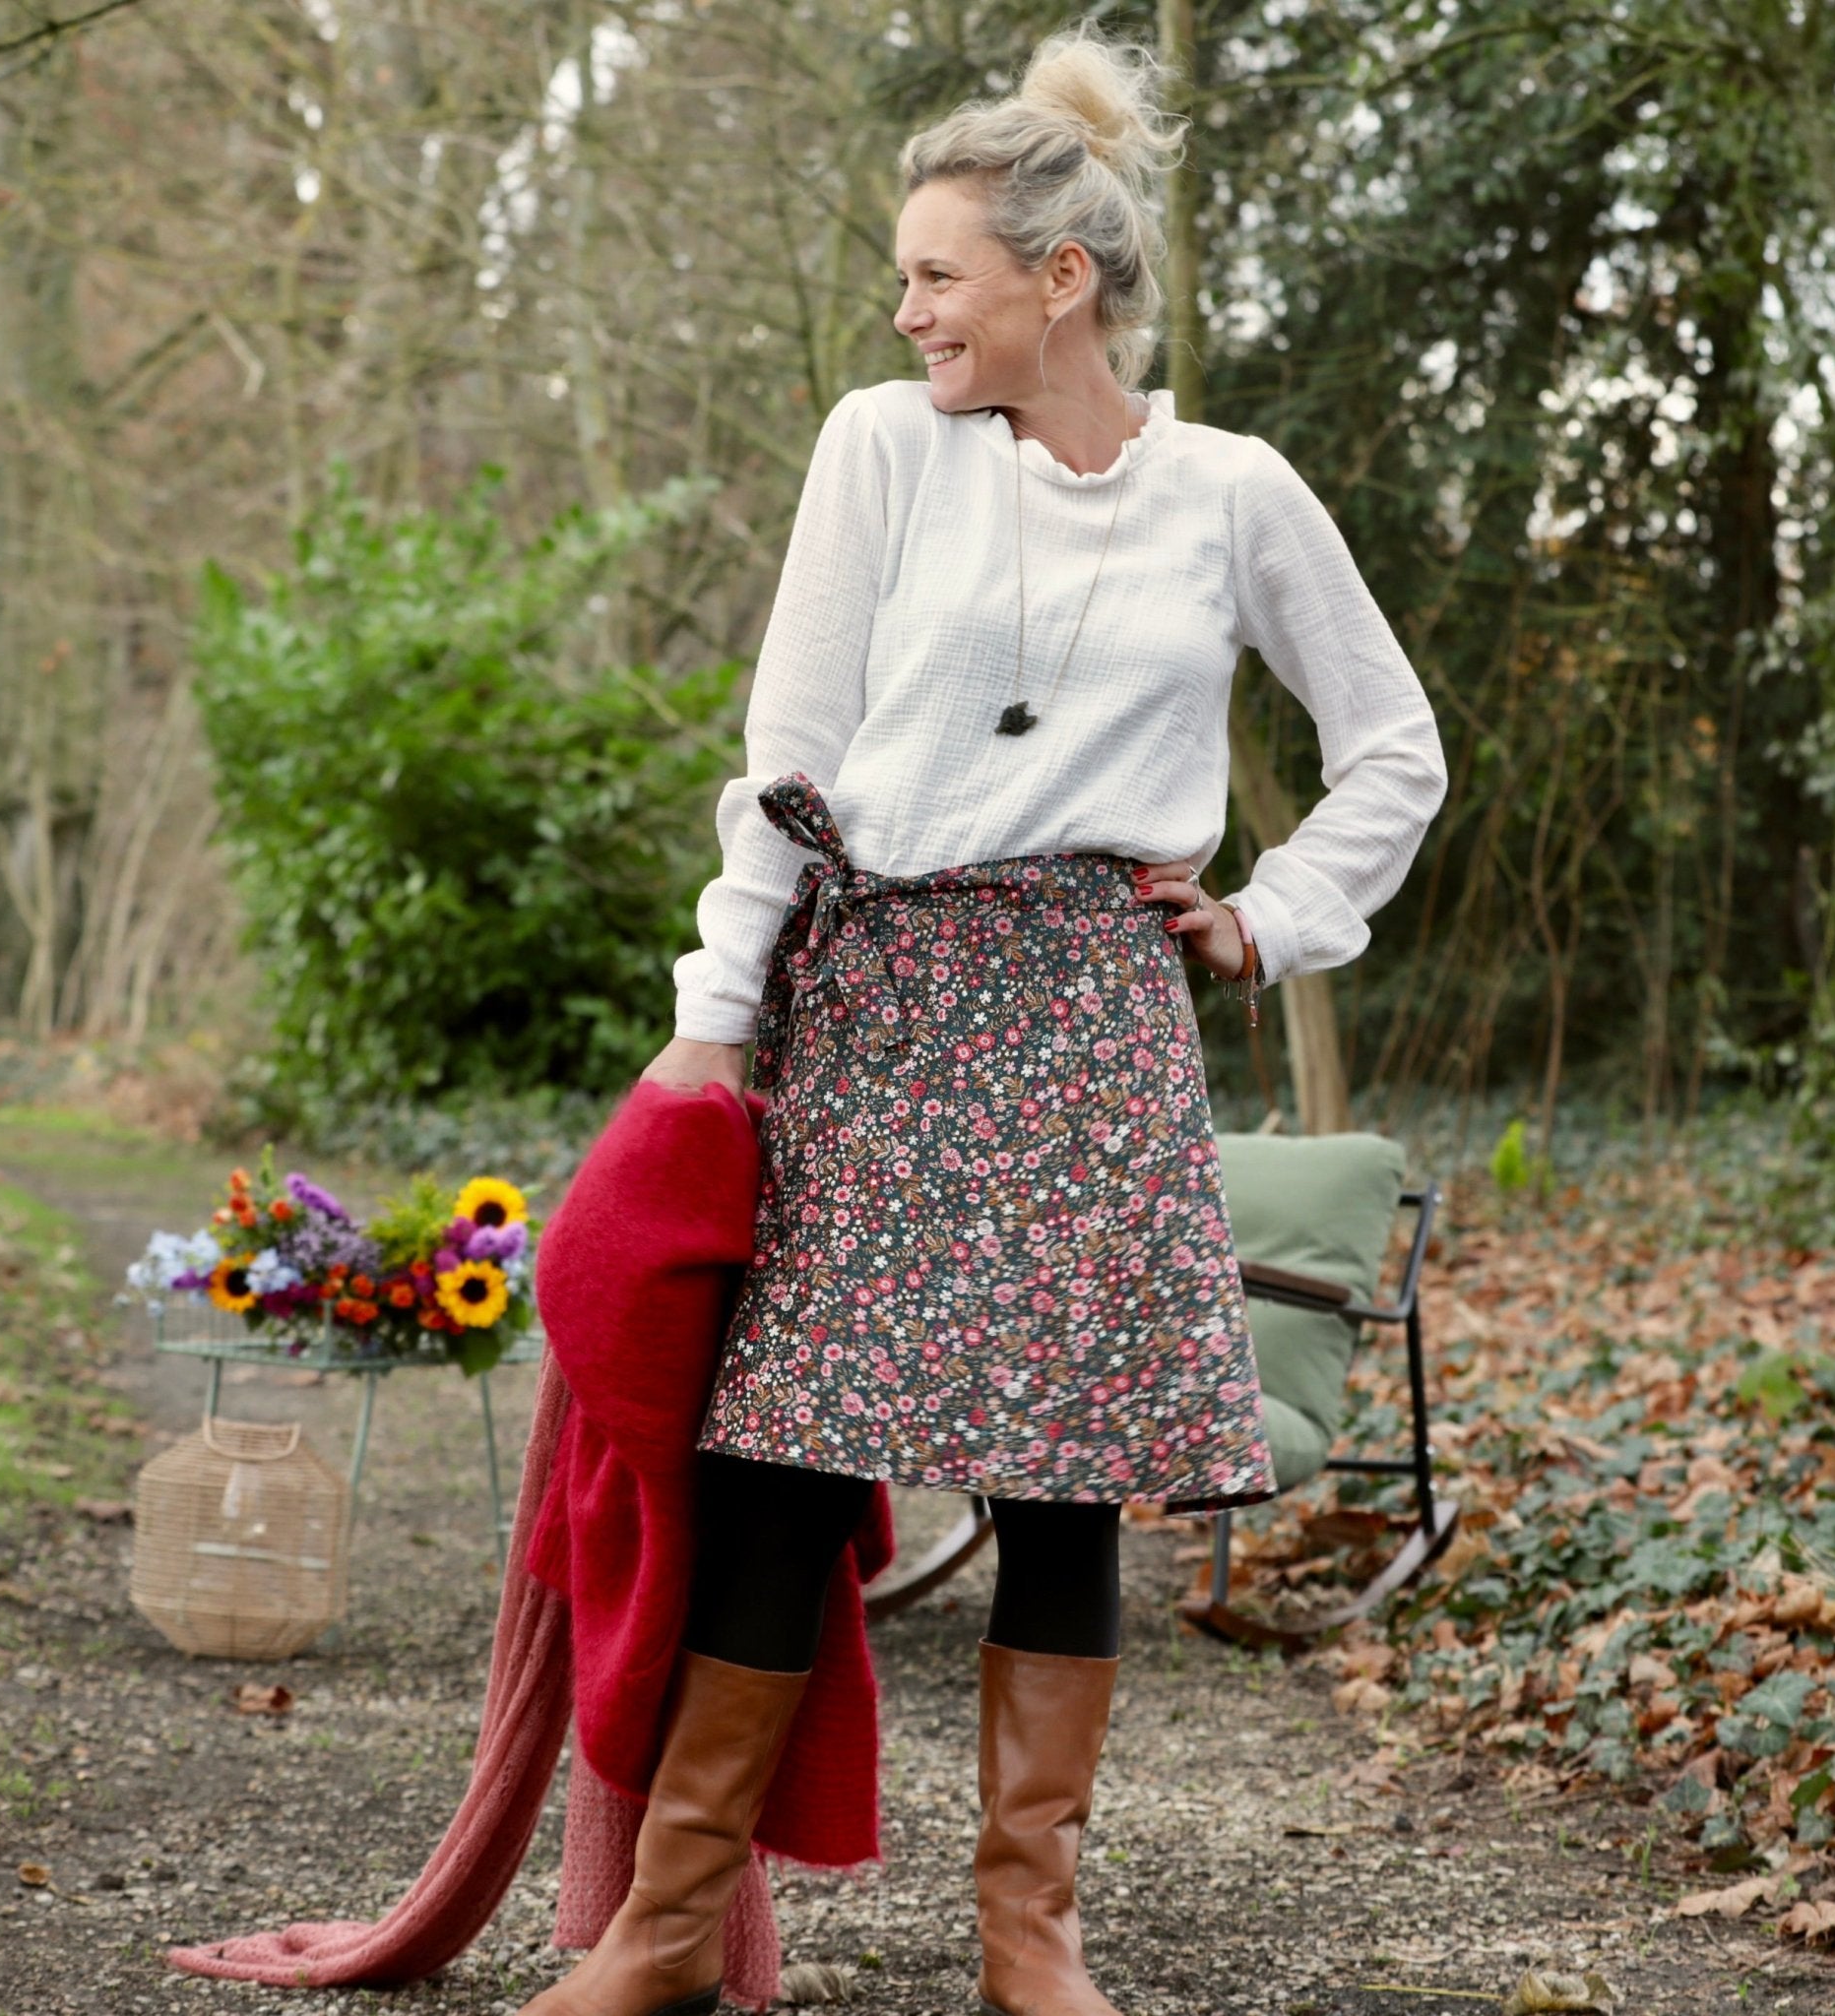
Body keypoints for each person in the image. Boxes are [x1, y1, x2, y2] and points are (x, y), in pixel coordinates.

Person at [522, 22, 1446, 2016]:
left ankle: (1032, 1930)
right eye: (903, 277)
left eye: (938, 274)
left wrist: (1269, 920)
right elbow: (787, 761)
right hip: (872, 1011)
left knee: (1060, 1478)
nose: (908, 309)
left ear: (1062, 279)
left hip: (1092, 1019)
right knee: (784, 1457)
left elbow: (1394, 747)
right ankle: (666, 1930)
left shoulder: (1233, 490)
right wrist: (714, 1014)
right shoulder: (879, 445)